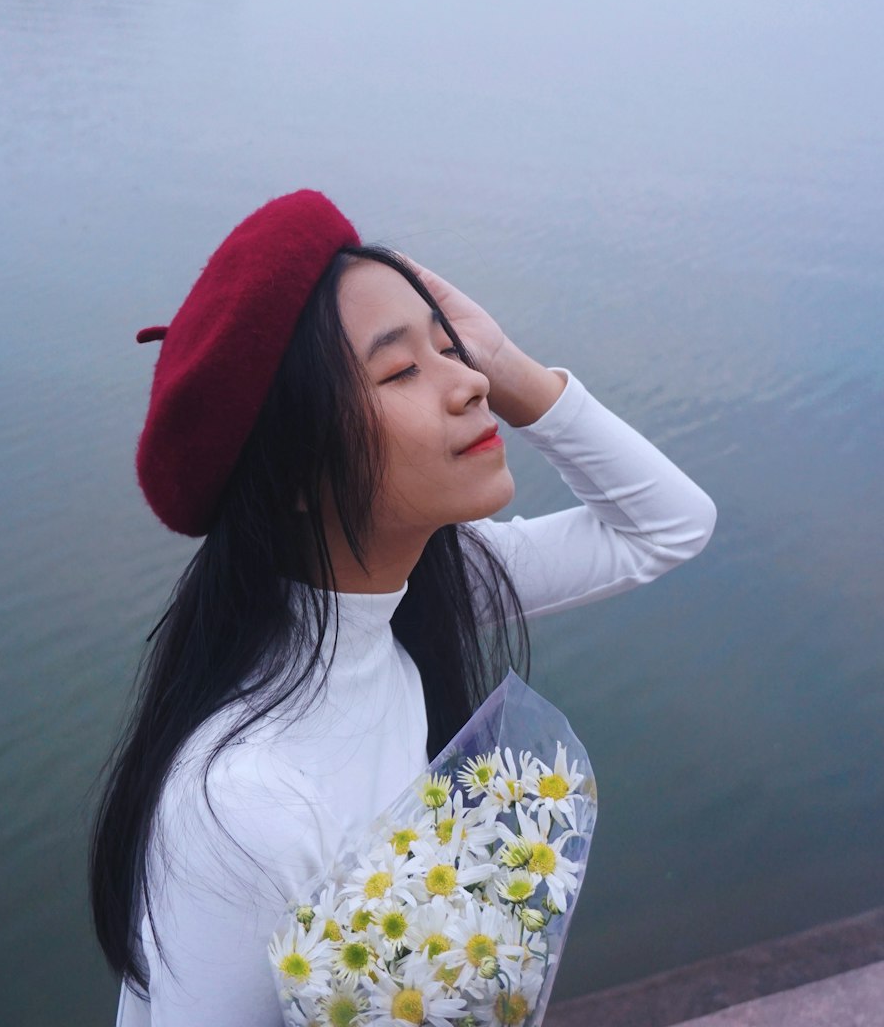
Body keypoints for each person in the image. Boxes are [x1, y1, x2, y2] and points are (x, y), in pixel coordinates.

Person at [89, 189, 716, 1026]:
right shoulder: (241, 805)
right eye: (400, 369)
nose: (471, 384)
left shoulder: (424, 589)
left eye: (450, 346)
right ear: (298, 469)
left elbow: (668, 528)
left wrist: (513, 366)